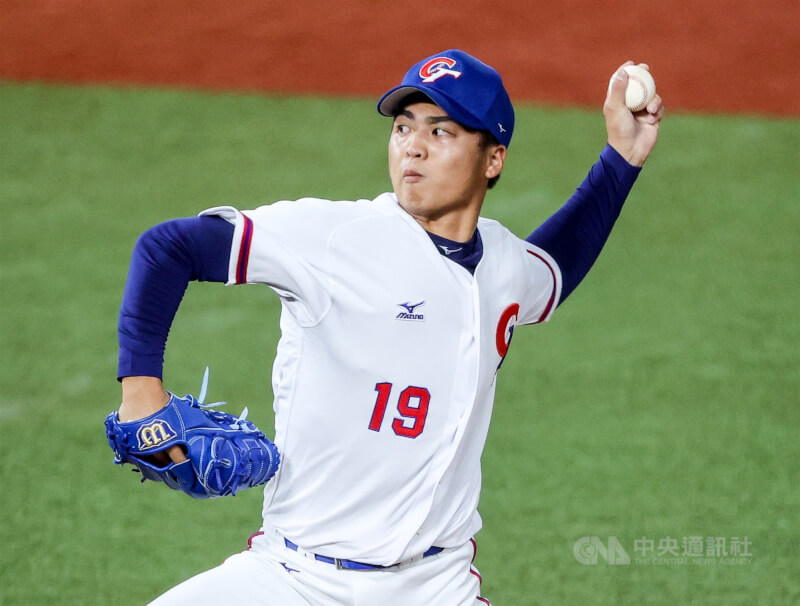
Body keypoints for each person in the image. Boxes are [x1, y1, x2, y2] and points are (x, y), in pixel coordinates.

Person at [114, 49, 663, 605]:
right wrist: (140, 393)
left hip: (437, 586)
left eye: (440, 131)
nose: (412, 147)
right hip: (295, 578)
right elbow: (168, 247)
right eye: (403, 127)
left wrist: (623, 157)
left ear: (493, 159)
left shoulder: (502, 264)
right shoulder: (337, 238)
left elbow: (555, 270)